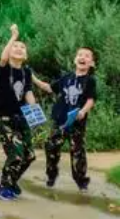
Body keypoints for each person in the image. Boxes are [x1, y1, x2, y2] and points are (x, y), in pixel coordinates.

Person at [34, 47, 97, 193]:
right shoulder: (66, 77)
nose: (83, 57)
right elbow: (49, 88)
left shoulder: (90, 80)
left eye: (87, 56)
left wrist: (82, 111)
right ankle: (51, 176)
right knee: (51, 146)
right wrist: (33, 78)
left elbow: (91, 99)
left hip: (77, 123)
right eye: (80, 55)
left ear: (91, 63)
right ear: (75, 60)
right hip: (60, 120)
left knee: (78, 152)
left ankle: (82, 182)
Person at [0, 24, 36, 201]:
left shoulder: (26, 72)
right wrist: (13, 36)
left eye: (22, 47)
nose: (18, 48)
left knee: (29, 155)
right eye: (15, 46)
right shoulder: (4, 68)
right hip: (5, 118)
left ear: (26, 55)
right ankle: (4, 186)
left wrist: (34, 110)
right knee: (16, 153)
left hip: (22, 118)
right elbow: (3, 58)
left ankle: (12, 180)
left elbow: (28, 93)